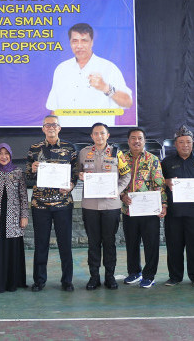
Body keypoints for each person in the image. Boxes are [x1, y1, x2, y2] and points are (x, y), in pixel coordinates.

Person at [26, 115, 78, 292]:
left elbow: (76, 174)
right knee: (41, 244)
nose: (51, 128)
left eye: (54, 125)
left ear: (59, 128)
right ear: (42, 128)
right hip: (40, 204)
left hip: (63, 204)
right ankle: (39, 281)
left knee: (65, 244)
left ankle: (67, 280)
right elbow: (28, 176)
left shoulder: (69, 148)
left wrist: (71, 185)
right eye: (47, 125)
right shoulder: (34, 149)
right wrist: (32, 170)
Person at [45, 23, 132, 127]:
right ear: (70, 43)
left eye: (84, 41)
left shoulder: (109, 68)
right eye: (75, 41)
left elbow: (127, 102)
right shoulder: (61, 69)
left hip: (97, 137)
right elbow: (54, 109)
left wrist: (105, 87)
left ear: (92, 42)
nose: (79, 46)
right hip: (67, 134)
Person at [78, 123, 131, 290]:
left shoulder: (117, 153)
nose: (99, 136)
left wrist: (118, 190)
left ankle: (110, 276)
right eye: (95, 133)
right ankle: (94, 277)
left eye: (102, 133)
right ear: (91, 136)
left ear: (107, 135)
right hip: (90, 205)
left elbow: (127, 174)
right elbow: (77, 172)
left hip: (111, 205)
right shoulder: (84, 153)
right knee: (93, 243)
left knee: (109, 242)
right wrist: (79, 175)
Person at [161, 125, 194, 288]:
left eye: (188, 142)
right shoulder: (167, 162)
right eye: (181, 142)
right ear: (175, 144)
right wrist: (166, 182)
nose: (185, 145)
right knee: (174, 245)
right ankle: (175, 276)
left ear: (193, 144)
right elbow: (158, 184)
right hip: (174, 212)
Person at [120, 127, 166, 288]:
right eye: (133, 138)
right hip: (129, 209)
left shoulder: (153, 159)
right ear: (128, 141)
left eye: (140, 138)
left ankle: (149, 275)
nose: (136, 141)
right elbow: (117, 182)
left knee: (151, 244)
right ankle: (134, 272)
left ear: (144, 141)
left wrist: (163, 204)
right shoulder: (122, 159)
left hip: (149, 210)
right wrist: (122, 195)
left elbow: (159, 184)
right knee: (131, 243)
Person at [0, 143, 29, 293]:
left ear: (10, 155)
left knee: (11, 249)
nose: (3, 156)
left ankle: (12, 282)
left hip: (13, 218)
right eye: (0, 153)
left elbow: (23, 196)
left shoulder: (18, 172)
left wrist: (24, 216)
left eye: (6, 153)